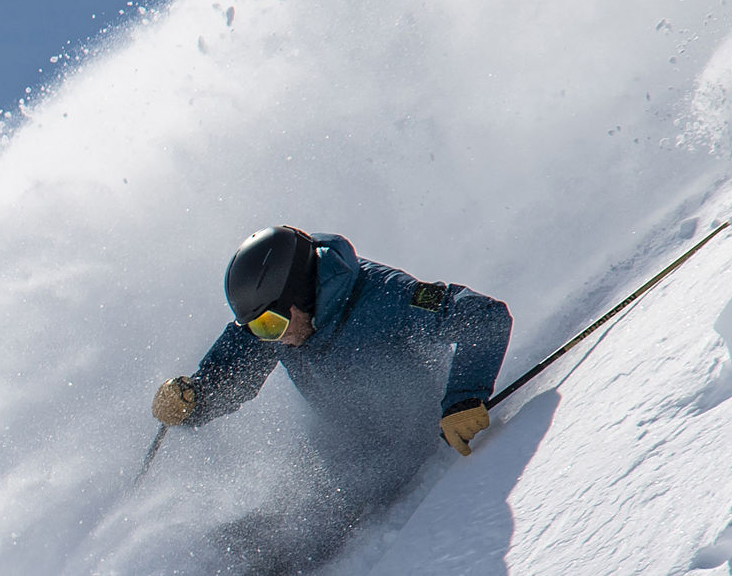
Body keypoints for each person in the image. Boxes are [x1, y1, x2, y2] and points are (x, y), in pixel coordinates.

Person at [149, 226, 512, 570]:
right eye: (259, 329)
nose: (270, 338)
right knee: (245, 540)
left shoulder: (384, 297)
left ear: (301, 296)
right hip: (344, 451)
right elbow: (235, 366)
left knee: (295, 537)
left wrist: (463, 400)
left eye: (271, 326)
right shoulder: (280, 319)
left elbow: (483, 316)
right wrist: (195, 396)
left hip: (412, 444)